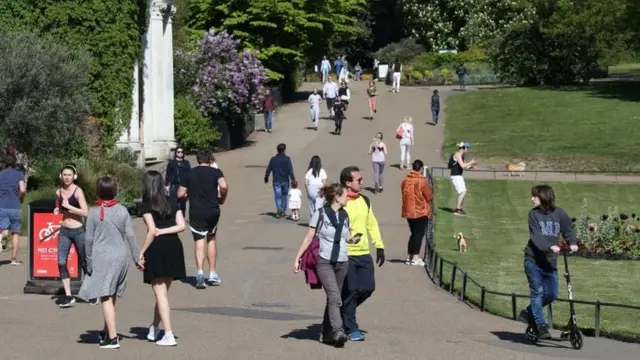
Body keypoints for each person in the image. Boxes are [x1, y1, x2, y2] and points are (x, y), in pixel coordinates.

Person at [78, 176, 143, 349]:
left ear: (99, 191)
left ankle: (113, 338)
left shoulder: (93, 212)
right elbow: (130, 236)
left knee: (105, 295)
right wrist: (137, 258)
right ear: (114, 190)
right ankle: (106, 330)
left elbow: (88, 240)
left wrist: (88, 261)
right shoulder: (122, 210)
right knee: (111, 294)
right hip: (120, 256)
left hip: (102, 257)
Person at [293, 183, 354, 348]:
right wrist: (297, 258)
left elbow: (347, 235)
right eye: (345, 195)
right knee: (335, 297)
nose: (348, 197)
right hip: (324, 261)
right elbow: (309, 237)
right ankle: (338, 331)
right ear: (337, 197)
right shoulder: (320, 214)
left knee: (334, 299)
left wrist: (352, 239)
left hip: (342, 262)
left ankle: (326, 334)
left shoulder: (344, 215)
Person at [518, 185, 578, 339]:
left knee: (552, 294)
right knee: (537, 292)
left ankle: (529, 312)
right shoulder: (533, 214)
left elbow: (568, 228)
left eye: (535, 196)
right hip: (533, 260)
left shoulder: (559, 213)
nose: (531, 199)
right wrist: (549, 247)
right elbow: (536, 237)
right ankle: (541, 325)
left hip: (550, 262)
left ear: (544, 197)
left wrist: (572, 242)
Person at [139, 170, 187, 346]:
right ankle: (155, 327)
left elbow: (152, 231)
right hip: (174, 246)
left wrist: (141, 252)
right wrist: (164, 230)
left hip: (157, 248)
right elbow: (181, 226)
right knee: (163, 293)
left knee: (160, 293)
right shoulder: (172, 202)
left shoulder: (146, 205)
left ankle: (168, 333)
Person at [340, 166, 385, 341]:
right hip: (347, 254)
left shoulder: (365, 200)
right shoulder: (341, 202)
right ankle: (351, 328)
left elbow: (371, 223)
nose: (362, 182)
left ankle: (344, 311)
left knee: (367, 288)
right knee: (350, 290)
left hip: (364, 253)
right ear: (348, 183)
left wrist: (379, 246)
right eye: (358, 180)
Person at [178, 148, 228, 289]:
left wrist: (190, 195)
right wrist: (222, 198)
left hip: (196, 211)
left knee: (199, 240)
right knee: (211, 238)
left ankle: (200, 272)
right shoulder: (216, 172)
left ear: (198, 159)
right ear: (210, 159)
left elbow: (180, 193)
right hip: (212, 210)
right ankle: (212, 273)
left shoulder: (190, 173)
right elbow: (223, 186)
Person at [53, 165, 89, 308]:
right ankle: (68, 295)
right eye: (64, 174)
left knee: (84, 262)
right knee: (61, 262)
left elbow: (85, 212)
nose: (67, 177)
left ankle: (90, 292)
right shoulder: (58, 192)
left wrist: (69, 206)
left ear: (74, 176)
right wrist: (58, 208)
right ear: (60, 176)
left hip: (78, 231)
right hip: (64, 231)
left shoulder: (78, 191)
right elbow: (60, 206)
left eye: (69, 175)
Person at [401, 160, 434, 266]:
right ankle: (415, 257)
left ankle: (409, 257)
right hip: (420, 211)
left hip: (409, 211)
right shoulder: (421, 181)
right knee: (418, 235)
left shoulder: (406, 180)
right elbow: (429, 195)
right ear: (420, 169)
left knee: (414, 234)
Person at [0, 153, 26, 265]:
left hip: (2, 205)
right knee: (15, 232)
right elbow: (23, 190)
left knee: (3, 229)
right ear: (15, 163)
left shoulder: (1, 174)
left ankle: (1, 237)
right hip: (14, 206)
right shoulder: (19, 175)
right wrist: (20, 198)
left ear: (5, 163)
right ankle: (14, 259)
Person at [264, 143, 295, 219]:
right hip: (285, 180)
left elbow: (269, 169)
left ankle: (279, 210)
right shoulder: (287, 159)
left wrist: (266, 177)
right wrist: (293, 179)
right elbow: (290, 170)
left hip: (276, 180)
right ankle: (283, 211)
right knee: (284, 196)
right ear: (284, 150)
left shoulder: (273, 159)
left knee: (278, 196)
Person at [448, 142, 476, 216]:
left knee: (463, 192)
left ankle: (459, 208)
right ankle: (458, 210)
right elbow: (463, 166)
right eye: (467, 148)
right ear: (463, 148)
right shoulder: (458, 154)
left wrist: (471, 166)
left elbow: (465, 166)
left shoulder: (462, 155)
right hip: (455, 176)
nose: (467, 149)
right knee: (463, 192)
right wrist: (471, 162)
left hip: (458, 175)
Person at [164, 146, 191, 215]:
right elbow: (168, 174)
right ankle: (174, 217)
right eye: (178, 152)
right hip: (174, 185)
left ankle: (182, 216)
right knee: (173, 202)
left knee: (183, 203)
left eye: (182, 152)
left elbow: (189, 175)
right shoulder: (171, 163)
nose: (180, 153)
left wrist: (189, 186)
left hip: (184, 186)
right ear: (176, 153)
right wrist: (166, 185)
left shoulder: (186, 163)